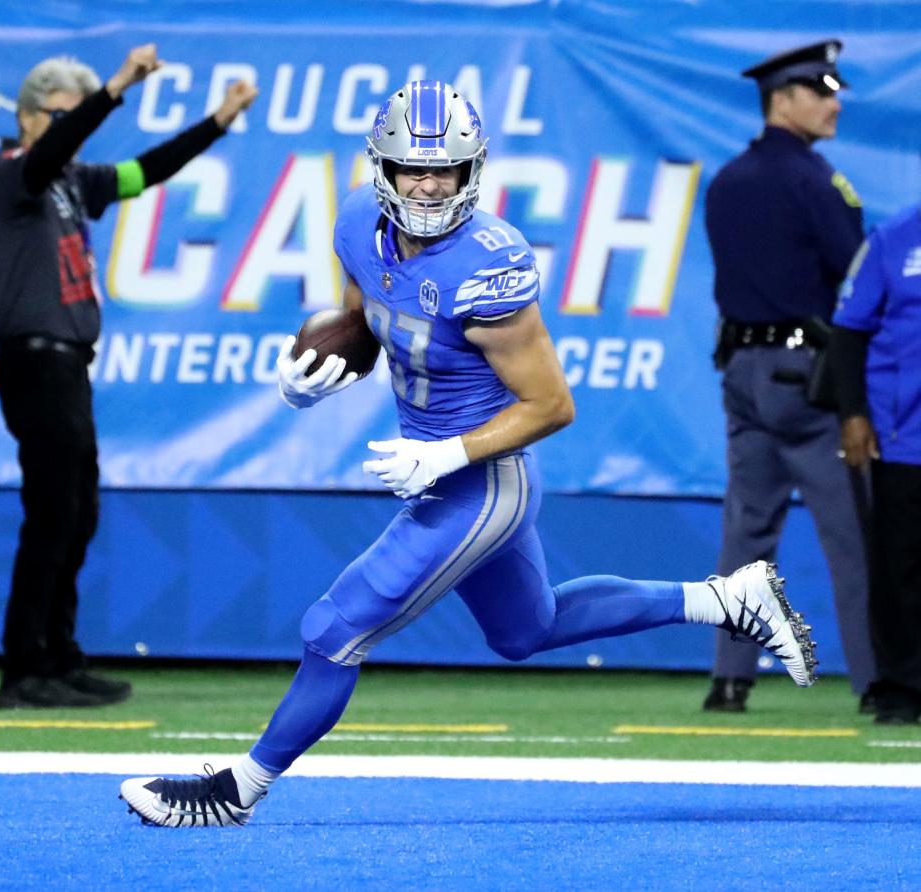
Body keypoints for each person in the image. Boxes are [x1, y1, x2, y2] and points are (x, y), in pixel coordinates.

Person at [119, 80, 816, 827]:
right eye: (413, 168)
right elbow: (365, 323)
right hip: (441, 467)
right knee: (527, 630)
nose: (427, 184)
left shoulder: (490, 264)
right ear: (381, 169)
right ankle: (726, 598)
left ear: (471, 171)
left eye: (444, 169)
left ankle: (239, 790)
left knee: (334, 627)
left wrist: (447, 453)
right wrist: (311, 380)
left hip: (482, 482)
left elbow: (552, 405)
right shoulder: (358, 221)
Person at [0, 45, 258, 709]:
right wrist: (118, 86)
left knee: (77, 512)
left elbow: (146, 170)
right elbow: (49, 153)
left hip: (68, 365)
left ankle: (58, 656)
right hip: (34, 360)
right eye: (62, 117)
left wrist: (218, 121)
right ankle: (22, 670)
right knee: (52, 514)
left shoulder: (72, 182)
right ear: (28, 117)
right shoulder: (9, 176)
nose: (75, 129)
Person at [702, 40, 878, 713]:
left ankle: (728, 680)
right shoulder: (814, 180)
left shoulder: (728, 181)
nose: (834, 103)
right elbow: (855, 277)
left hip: (741, 374)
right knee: (852, 537)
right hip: (806, 378)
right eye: (823, 90)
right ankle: (877, 682)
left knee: (745, 535)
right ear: (785, 99)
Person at [829, 206, 921, 724]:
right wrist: (853, 413)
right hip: (903, 435)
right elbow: (848, 332)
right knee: (898, 567)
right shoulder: (893, 241)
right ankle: (902, 688)